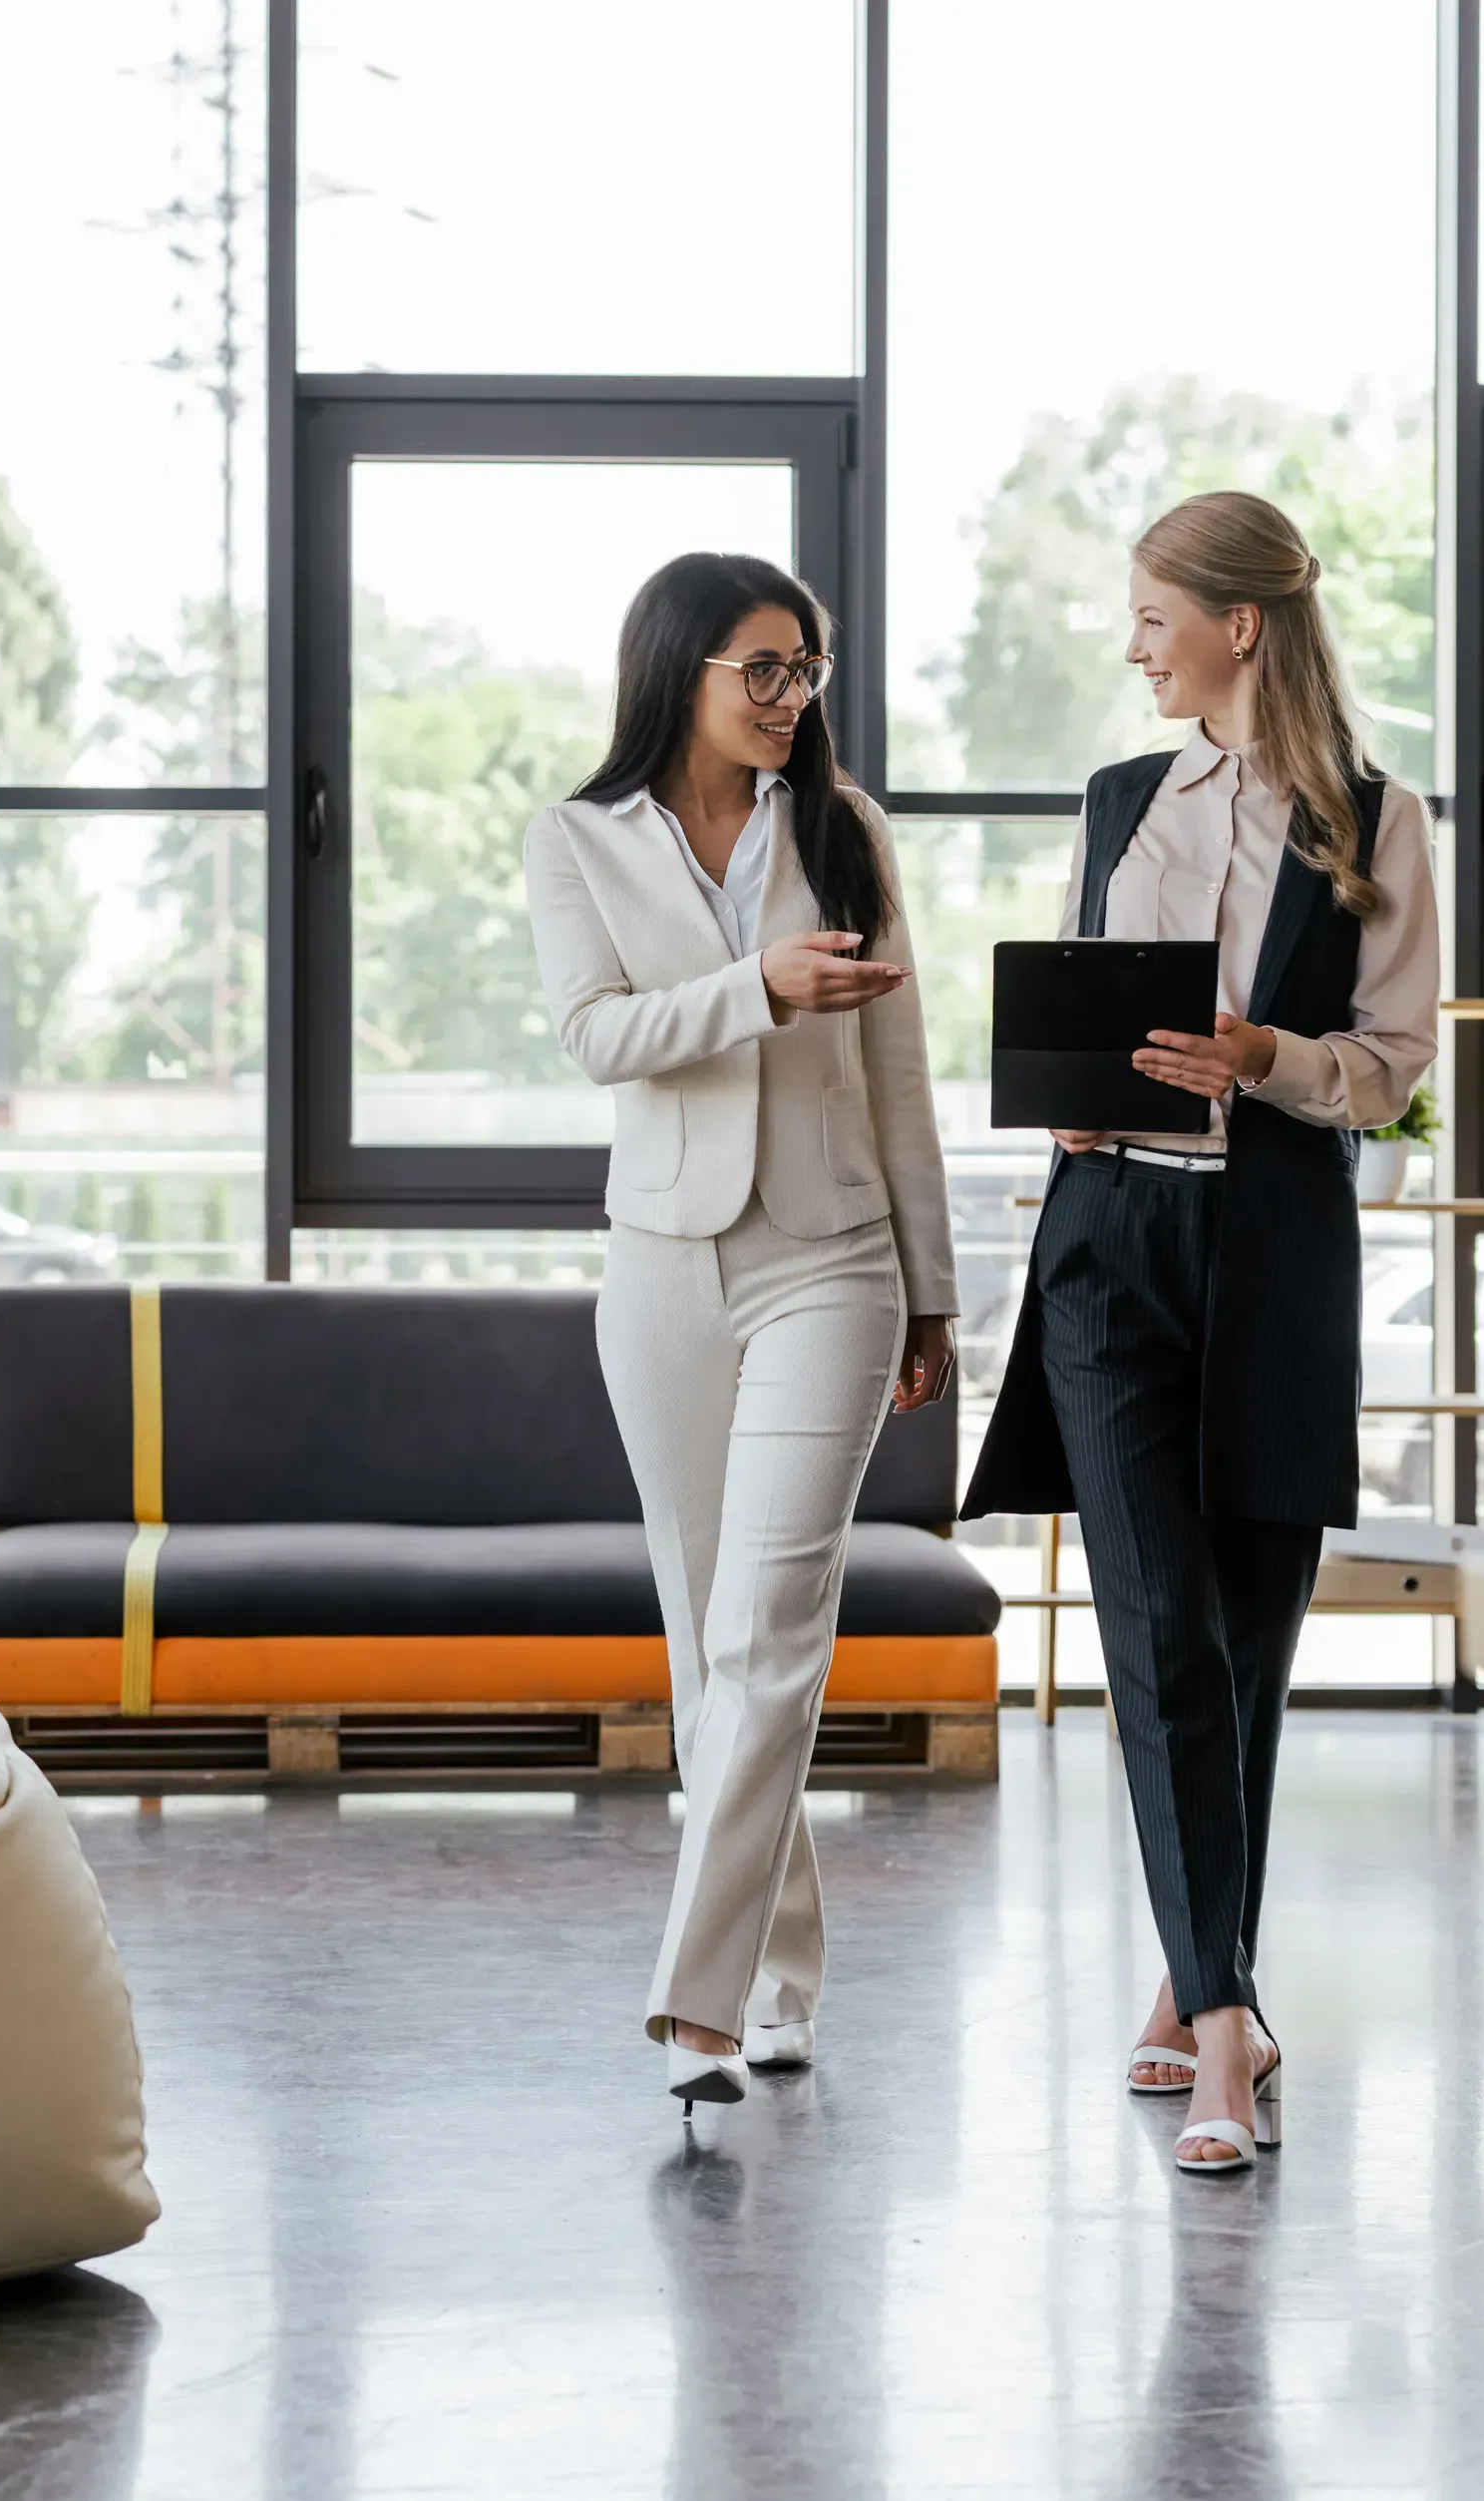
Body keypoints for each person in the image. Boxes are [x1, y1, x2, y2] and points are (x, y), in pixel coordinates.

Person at [963, 491, 1438, 2173]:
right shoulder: (1115, 801)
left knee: (1246, 1644)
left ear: (1243, 624)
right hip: (1111, 1245)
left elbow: (1390, 1068)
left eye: (1157, 613)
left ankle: (1191, 1975)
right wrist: (1071, 1109)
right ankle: (1230, 2025)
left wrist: (1264, 1061)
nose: (1134, 643)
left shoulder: (1378, 820)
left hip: (1277, 1239)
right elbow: (1093, 1008)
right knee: (1156, 1624)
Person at [525, 552, 957, 2114]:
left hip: (830, 1262)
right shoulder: (577, 841)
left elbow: (902, 1075)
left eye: (805, 672)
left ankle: (693, 2000)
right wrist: (754, 988)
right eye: (761, 671)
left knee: (772, 1629)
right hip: (662, 1269)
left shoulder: (847, 833)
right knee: (709, 1646)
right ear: (679, 672)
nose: (790, 700)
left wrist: (931, 1292)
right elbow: (595, 1034)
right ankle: (778, 1978)